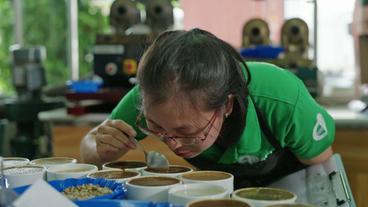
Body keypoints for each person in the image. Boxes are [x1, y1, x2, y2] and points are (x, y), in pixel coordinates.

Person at [80, 28, 335, 188]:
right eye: (156, 128)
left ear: (226, 105)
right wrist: (101, 149)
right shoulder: (153, 94)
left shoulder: (282, 99)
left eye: (187, 132)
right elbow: (88, 146)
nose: (173, 145)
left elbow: (323, 171)